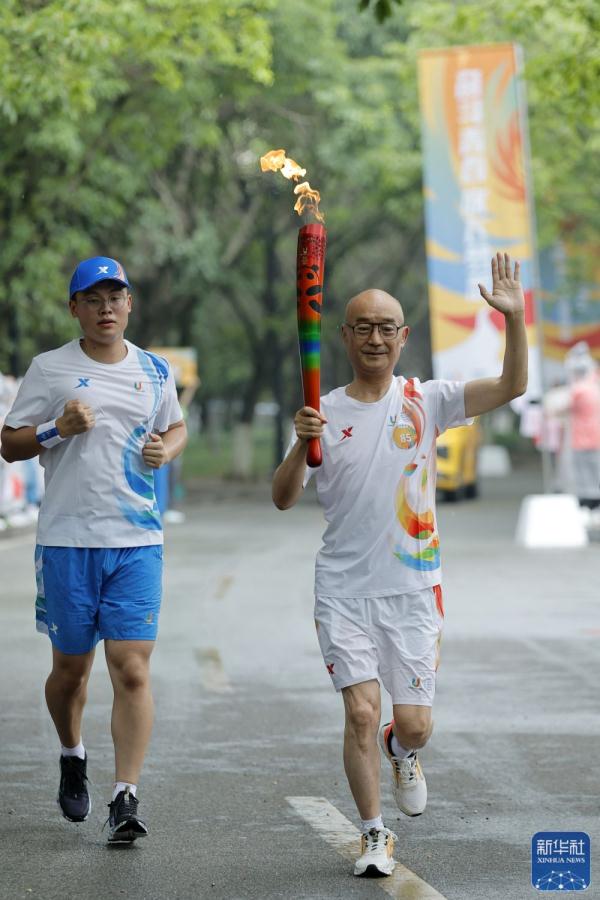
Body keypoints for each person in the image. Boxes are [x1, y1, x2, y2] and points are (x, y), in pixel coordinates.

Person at [272, 253, 527, 878]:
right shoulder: (321, 411)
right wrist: (301, 445)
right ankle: (373, 832)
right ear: (346, 337)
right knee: (360, 709)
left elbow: (511, 386)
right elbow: (282, 497)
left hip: (413, 588)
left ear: (403, 336)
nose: (376, 337)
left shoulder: (428, 401)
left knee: (411, 725)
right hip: (343, 589)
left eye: (388, 327)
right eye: (364, 327)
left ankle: (400, 750)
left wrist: (515, 322)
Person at [0, 257, 187, 843]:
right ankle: (71, 753)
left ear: (130, 304)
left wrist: (168, 451)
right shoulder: (50, 368)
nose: (107, 308)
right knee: (70, 673)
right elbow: (9, 444)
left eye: (116, 296)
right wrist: (57, 429)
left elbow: (175, 427)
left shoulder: (156, 371)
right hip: (67, 543)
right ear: (74, 308)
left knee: (132, 669)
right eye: (93, 298)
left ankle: (124, 796)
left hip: (136, 542)